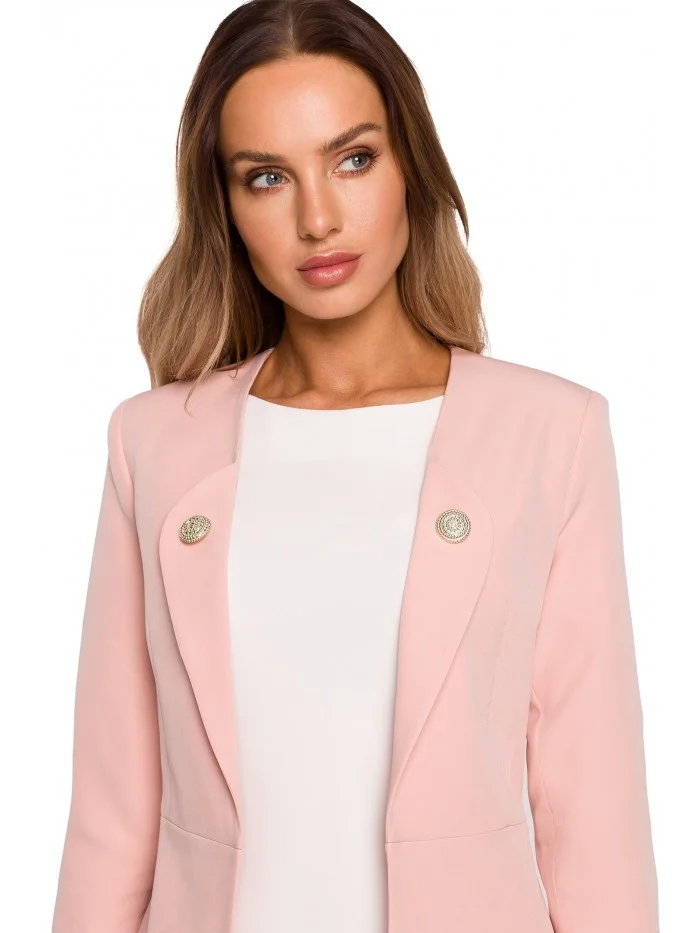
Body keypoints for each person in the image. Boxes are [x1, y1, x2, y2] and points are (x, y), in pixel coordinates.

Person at [51, 2, 659, 932]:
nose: (318, 218)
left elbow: (594, 820)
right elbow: (111, 819)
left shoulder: (550, 434)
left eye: (353, 158)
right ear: (225, 207)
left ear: (411, 162)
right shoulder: (155, 443)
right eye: (267, 177)